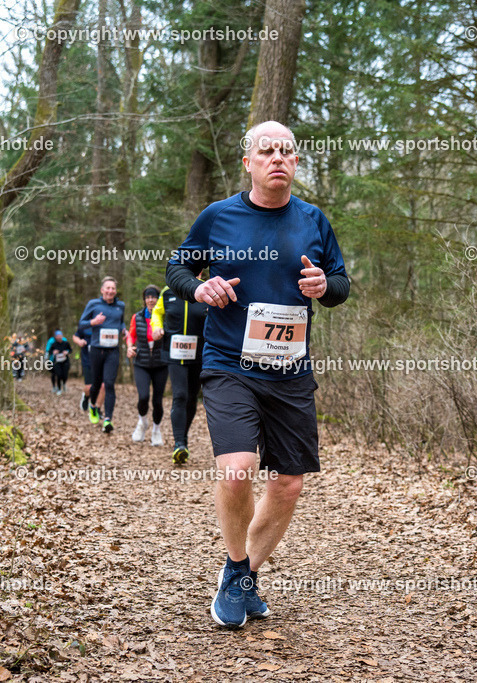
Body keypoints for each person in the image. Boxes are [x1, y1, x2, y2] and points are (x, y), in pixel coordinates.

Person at [166, 121, 349, 628]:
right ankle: (238, 570)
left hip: (290, 371)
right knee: (237, 468)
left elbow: (340, 282)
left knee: (289, 483)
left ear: (296, 162)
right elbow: (178, 269)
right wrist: (199, 290)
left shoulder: (313, 219)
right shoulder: (218, 217)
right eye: (266, 151)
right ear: (247, 162)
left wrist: (323, 285)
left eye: (287, 151)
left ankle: (241, 576)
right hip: (230, 363)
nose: (278, 158)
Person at [152, 280, 207, 464]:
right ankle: (178, 444)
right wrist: (156, 327)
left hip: (198, 353)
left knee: (192, 398)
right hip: (174, 353)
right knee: (180, 395)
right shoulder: (168, 292)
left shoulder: (206, 289)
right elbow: (157, 313)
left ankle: (183, 438)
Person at [77, 277, 126, 432]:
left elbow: (121, 322)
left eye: (113, 288)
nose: (110, 291)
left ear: (115, 291)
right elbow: (81, 324)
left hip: (113, 350)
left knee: (109, 384)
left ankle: (107, 419)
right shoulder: (94, 304)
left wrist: (124, 330)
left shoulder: (121, 306)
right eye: (108, 288)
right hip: (97, 349)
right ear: (102, 290)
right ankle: (93, 406)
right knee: (96, 384)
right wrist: (93, 322)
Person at [126, 285, 168, 446]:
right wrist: (130, 347)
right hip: (141, 363)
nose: (150, 300)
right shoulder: (137, 317)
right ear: (144, 299)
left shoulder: (164, 316)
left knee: (157, 401)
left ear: (158, 299)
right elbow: (131, 335)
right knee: (143, 397)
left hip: (161, 363)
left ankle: (156, 431)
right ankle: (142, 422)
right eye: (147, 297)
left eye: (154, 297)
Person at [72, 323, 93, 411]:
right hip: (87, 360)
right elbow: (75, 337)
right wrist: (79, 341)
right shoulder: (85, 326)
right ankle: (86, 397)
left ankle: (96, 408)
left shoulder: (104, 325)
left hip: (101, 361)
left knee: (101, 386)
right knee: (89, 387)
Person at [46, 330, 72, 395]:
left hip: (65, 361)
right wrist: (53, 352)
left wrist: (67, 352)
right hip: (55, 362)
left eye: (60, 336)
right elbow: (48, 350)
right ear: (55, 337)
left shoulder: (65, 342)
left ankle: (64, 384)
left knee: (65, 375)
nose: (59, 337)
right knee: (57, 374)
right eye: (57, 336)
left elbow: (70, 350)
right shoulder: (52, 343)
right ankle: (58, 388)